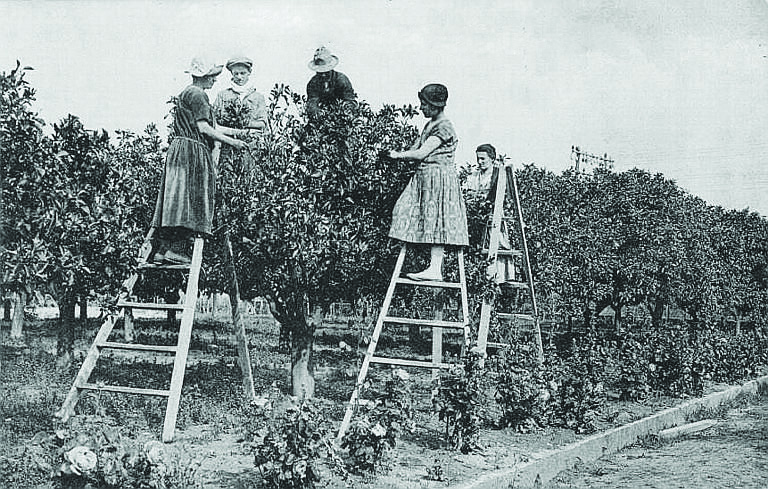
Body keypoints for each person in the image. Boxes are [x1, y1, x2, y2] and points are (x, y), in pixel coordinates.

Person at [151, 56, 248, 264]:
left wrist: (238, 133)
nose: (215, 80)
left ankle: (162, 250)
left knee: (175, 198)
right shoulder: (199, 95)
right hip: (192, 151)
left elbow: (212, 125)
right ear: (204, 77)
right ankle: (177, 250)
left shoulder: (187, 93)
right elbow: (204, 129)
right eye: (212, 76)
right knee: (192, 198)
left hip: (179, 149)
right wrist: (233, 143)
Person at [387, 83, 468, 281]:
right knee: (406, 210)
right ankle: (426, 263)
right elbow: (416, 147)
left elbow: (422, 153)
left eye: (424, 104)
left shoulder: (444, 126)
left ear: (434, 105)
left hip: (438, 178)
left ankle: (435, 268)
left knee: (436, 218)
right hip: (425, 177)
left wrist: (397, 156)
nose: (421, 108)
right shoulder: (429, 124)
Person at [468, 144, 515, 283]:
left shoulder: (497, 174)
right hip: (478, 215)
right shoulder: (475, 175)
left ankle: (500, 277)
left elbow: (504, 195)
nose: (480, 162)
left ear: (492, 159)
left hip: (494, 215)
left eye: (483, 159)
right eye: (478, 159)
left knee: (498, 243)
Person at [213, 55, 267, 132]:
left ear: (249, 72)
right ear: (232, 73)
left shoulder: (258, 97)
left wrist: (243, 123)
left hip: (251, 139)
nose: (239, 77)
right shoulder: (222, 95)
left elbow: (262, 123)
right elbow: (214, 120)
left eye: (242, 73)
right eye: (236, 73)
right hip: (228, 139)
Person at [306, 46, 357, 117]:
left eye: (326, 71)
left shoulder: (342, 80)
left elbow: (350, 102)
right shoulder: (313, 84)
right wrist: (320, 116)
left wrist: (340, 115)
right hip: (321, 119)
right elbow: (312, 104)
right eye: (320, 72)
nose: (323, 75)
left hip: (342, 117)